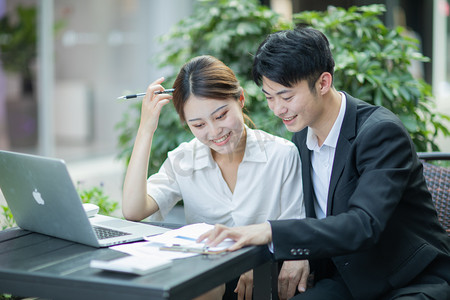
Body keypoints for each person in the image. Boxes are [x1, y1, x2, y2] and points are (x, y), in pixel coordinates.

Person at [199, 28, 450, 300]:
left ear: (323, 83)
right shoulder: (300, 137)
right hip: (348, 279)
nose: (277, 109)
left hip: (410, 279)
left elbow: (363, 224)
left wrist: (270, 232)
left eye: (286, 97)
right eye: (269, 97)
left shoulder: (381, 133)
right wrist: (288, 255)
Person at [122, 55, 307, 300]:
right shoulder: (184, 159)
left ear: (240, 99)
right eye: (198, 125)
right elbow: (134, 210)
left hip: (264, 281)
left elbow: (295, 231)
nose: (214, 132)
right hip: (206, 281)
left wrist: (259, 258)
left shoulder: (282, 155)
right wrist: (146, 129)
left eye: (220, 116)